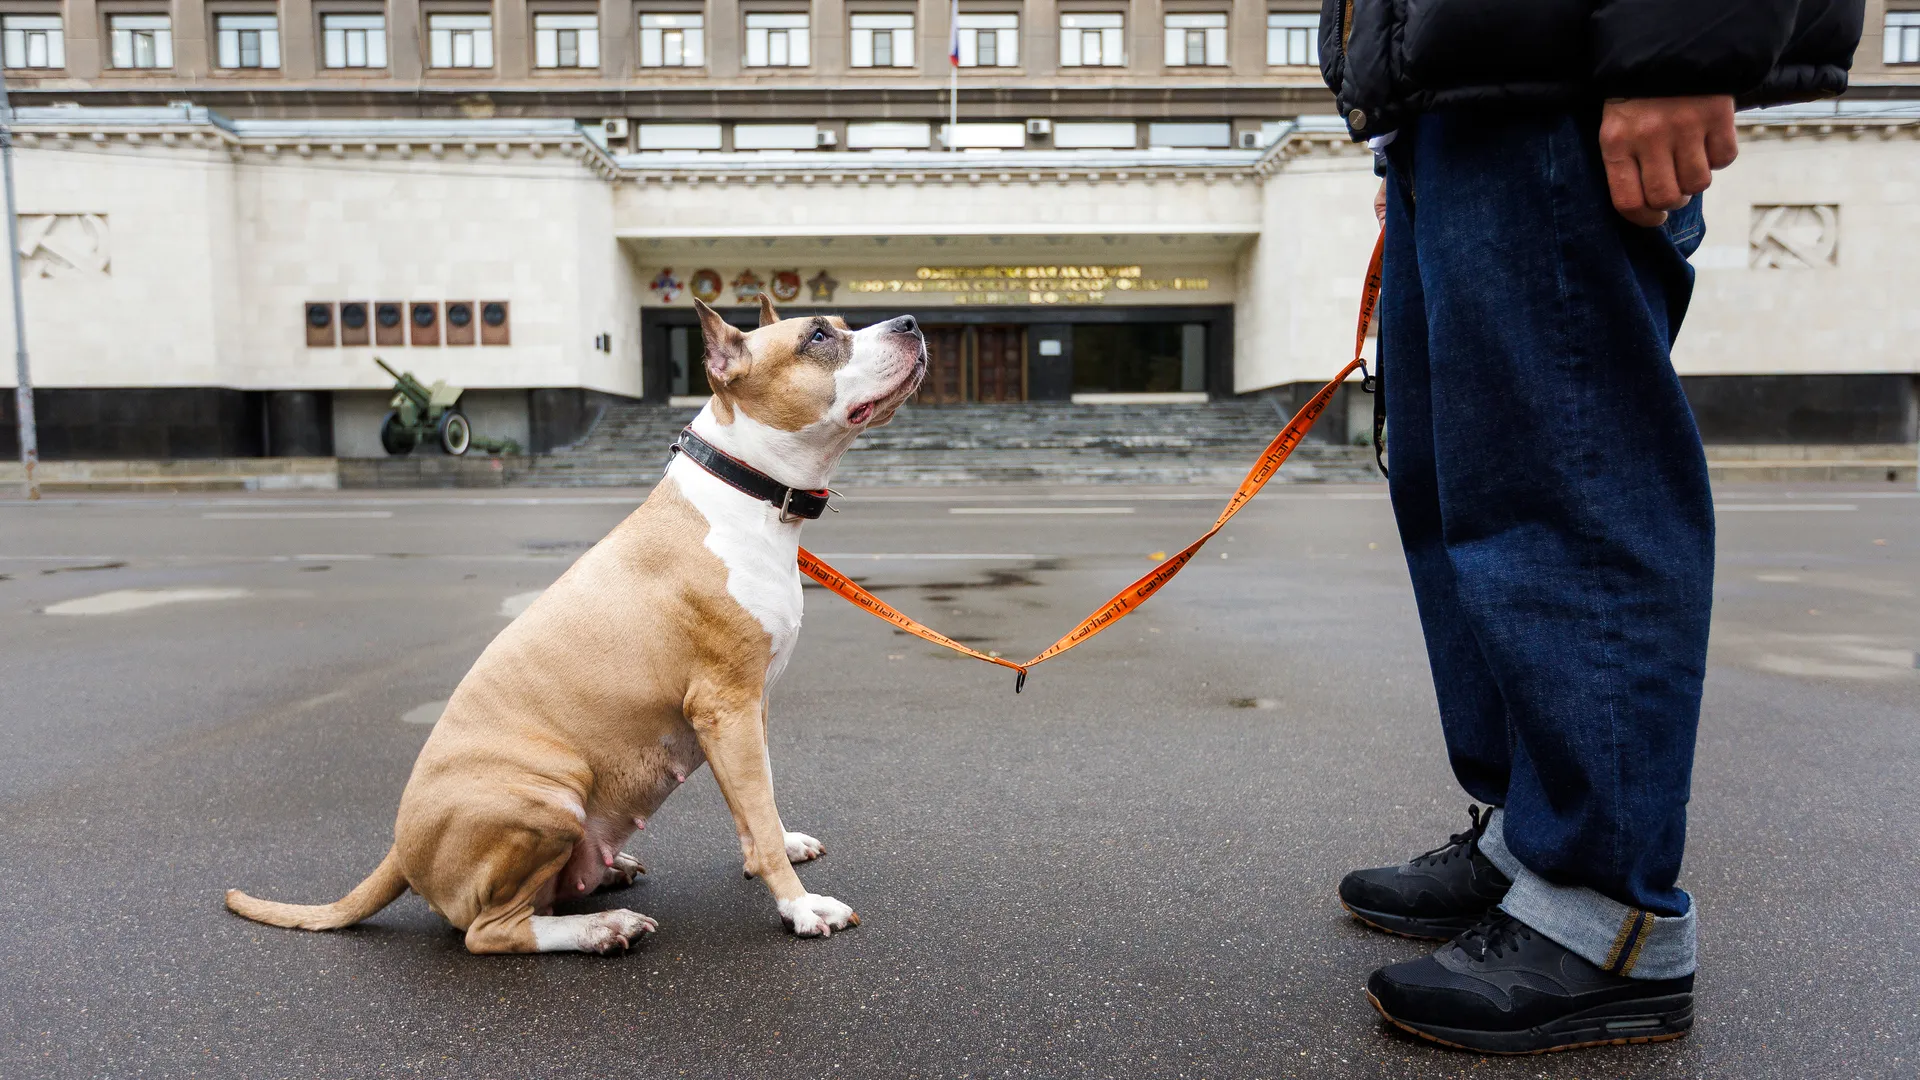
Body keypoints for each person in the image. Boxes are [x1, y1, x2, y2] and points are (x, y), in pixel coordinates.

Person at [1319, 0, 1864, 1055]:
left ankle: (1606, 913)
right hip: (1452, 98)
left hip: (1562, 67)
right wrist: (1401, 135)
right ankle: (1533, 842)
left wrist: (1680, 41)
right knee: (1457, 494)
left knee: (1567, 488)